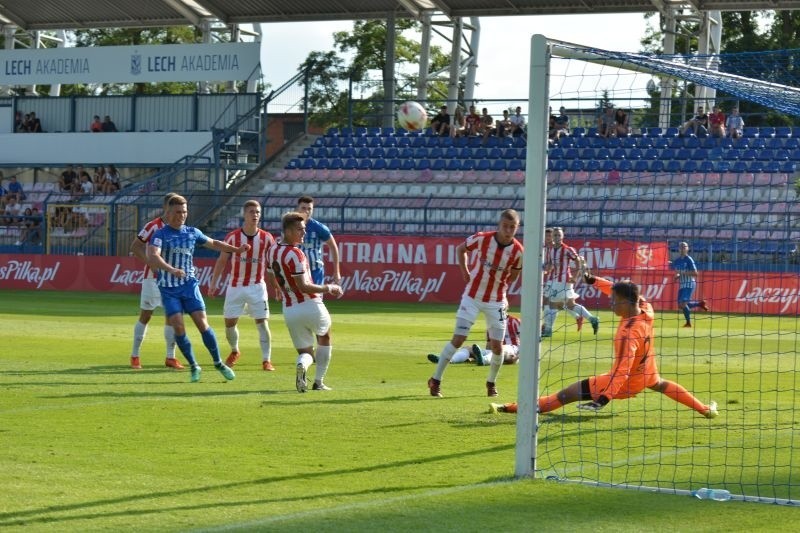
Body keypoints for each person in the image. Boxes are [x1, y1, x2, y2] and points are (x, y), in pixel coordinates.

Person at [490, 273, 719, 420]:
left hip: (624, 383)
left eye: (614, 301)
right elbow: (616, 289)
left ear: (628, 302)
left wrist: (604, 398)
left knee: (565, 395)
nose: (611, 303)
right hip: (647, 373)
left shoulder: (627, 334)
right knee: (662, 385)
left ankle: (509, 408)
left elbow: (622, 370)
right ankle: (705, 410)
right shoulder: (646, 310)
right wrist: (594, 281)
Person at [146, 194, 248, 383]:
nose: (181, 216)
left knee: (203, 324)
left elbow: (214, 243)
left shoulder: (192, 232)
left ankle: (218, 362)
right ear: (168, 213)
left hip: (189, 286)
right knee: (178, 326)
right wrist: (170, 269)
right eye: (177, 212)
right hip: (168, 288)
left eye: (184, 212)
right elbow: (153, 256)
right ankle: (194, 365)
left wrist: (236, 250)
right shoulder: (160, 234)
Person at [428, 209, 524, 398]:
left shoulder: (518, 251)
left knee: (497, 346)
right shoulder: (482, 239)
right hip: (472, 296)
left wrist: (501, 287)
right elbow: (460, 249)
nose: (508, 231)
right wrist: (464, 270)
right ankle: (435, 380)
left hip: (496, 301)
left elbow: (514, 275)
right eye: (505, 226)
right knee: (459, 339)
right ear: (499, 225)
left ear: (517, 228)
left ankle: (491, 383)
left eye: (512, 227)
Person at [267, 211, 343, 392]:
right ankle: (318, 382)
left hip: (290, 309)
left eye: (304, 229)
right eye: (299, 230)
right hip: (310, 305)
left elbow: (271, 275)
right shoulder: (296, 254)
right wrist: (329, 288)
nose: (304, 233)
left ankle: (302, 365)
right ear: (287, 231)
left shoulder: (272, 249)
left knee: (305, 352)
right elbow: (304, 286)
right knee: (325, 336)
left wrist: (278, 290)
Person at [209, 199, 278, 371]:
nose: (255, 215)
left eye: (257, 212)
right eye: (251, 212)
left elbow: (272, 265)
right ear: (244, 214)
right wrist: (213, 283)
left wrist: (276, 286)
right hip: (235, 286)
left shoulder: (267, 238)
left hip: (257, 286)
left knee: (262, 323)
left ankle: (266, 360)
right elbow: (222, 260)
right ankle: (235, 351)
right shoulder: (233, 237)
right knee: (230, 324)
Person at [129, 192, 182, 370]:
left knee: (172, 316)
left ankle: (170, 357)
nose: (175, 213)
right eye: (171, 208)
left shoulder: (180, 227)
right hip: (153, 280)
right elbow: (135, 247)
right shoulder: (153, 226)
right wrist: (150, 263)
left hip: (172, 281)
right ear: (165, 208)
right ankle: (135, 355)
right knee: (146, 315)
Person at [541, 227, 598, 337]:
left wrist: (575, 277)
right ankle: (592, 319)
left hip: (563, 280)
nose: (557, 237)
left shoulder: (567, 249)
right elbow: (550, 265)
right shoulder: (550, 250)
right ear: (553, 237)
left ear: (562, 237)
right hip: (553, 279)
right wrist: (545, 268)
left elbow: (578, 261)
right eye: (555, 235)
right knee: (570, 305)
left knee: (551, 303)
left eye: (559, 235)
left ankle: (548, 329)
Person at [427, 314, 520, 366]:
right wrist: (475, 355)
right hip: (494, 352)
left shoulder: (515, 321)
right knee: (468, 348)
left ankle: (483, 360)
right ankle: (449, 359)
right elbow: (488, 346)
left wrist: (518, 357)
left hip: (511, 350)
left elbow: (527, 343)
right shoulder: (491, 324)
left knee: (500, 348)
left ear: (506, 307)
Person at [296, 195, 341, 286]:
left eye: (309, 209)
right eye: (303, 208)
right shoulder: (290, 226)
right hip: (296, 271)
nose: (306, 211)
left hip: (315, 271)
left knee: (315, 299)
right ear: (298, 208)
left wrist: (337, 272)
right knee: (296, 299)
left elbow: (333, 246)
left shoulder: (319, 227)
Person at [672, 241, 709, 328]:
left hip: (689, 284)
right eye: (681, 247)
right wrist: (676, 276)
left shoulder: (689, 259)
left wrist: (683, 273)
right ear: (678, 249)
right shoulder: (676, 261)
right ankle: (699, 304)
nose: (682, 248)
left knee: (683, 304)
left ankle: (688, 323)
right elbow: (677, 273)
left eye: (684, 247)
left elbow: (695, 273)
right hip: (682, 285)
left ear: (687, 249)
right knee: (680, 305)